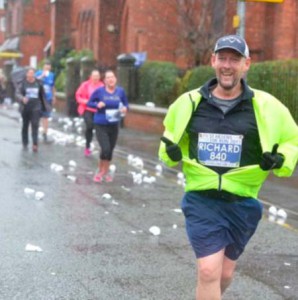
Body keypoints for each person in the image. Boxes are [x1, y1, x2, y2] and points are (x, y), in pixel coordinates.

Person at [159, 34, 298, 300]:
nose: (227, 65)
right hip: (202, 199)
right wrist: (171, 152)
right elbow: (167, 141)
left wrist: (280, 160)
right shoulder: (188, 103)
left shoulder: (267, 106)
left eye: (234, 59)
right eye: (222, 58)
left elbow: (291, 140)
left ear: (246, 64)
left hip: (243, 203)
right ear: (213, 61)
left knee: (223, 276)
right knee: (209, 271)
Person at [87, 70, 128, 183]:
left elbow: (125, 103)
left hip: (114, 124)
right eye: (108, 77)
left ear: (115, 79)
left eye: (112, 77)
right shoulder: (99, 92)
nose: (110, 79)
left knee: (110, 149)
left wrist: (125, 108)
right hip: (100, 123)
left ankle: (106, 170)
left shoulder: (120, 91)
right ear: (104, 81)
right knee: (105, 148)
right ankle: (100, 171)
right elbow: (89, 103)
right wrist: (97, 104)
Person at [16, 68, 48, 152]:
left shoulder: (38, 83)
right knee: (25, 125)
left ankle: (35, 144)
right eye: (29, 73)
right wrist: (22, 98)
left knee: (35, 124)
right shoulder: (22, 83)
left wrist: (44, 105)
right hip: (25, 107)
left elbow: (42, 94)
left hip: (36, 106)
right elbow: (17, 93)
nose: (30, 75)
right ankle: (25, 142)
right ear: (26, 74)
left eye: (32, 73)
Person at [75, 70, 104, 156]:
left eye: (97, 76)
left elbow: (105, 96)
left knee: (99, 128)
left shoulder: (102, 86)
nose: (96, 78)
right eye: (94, 76)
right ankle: (87, 146)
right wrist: (83, 101)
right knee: (90, 126)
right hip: (87, 109)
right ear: (90, 76)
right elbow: (78, 95)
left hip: (98, 110)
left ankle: (102, 147)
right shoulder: (85, 85)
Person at [35, 61, 55, 142]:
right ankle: (35, 131)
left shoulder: (52, 75)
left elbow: (52, 86)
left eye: (49, 67)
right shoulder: (38, 73)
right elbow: (34, 82)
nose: (47, 68)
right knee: (37, 115)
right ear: (43, 67)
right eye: (46, 67)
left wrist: (54, 96)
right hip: (39, 98)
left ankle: (45, 133)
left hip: (48, 98)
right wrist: (42, 75)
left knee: (46, 116)